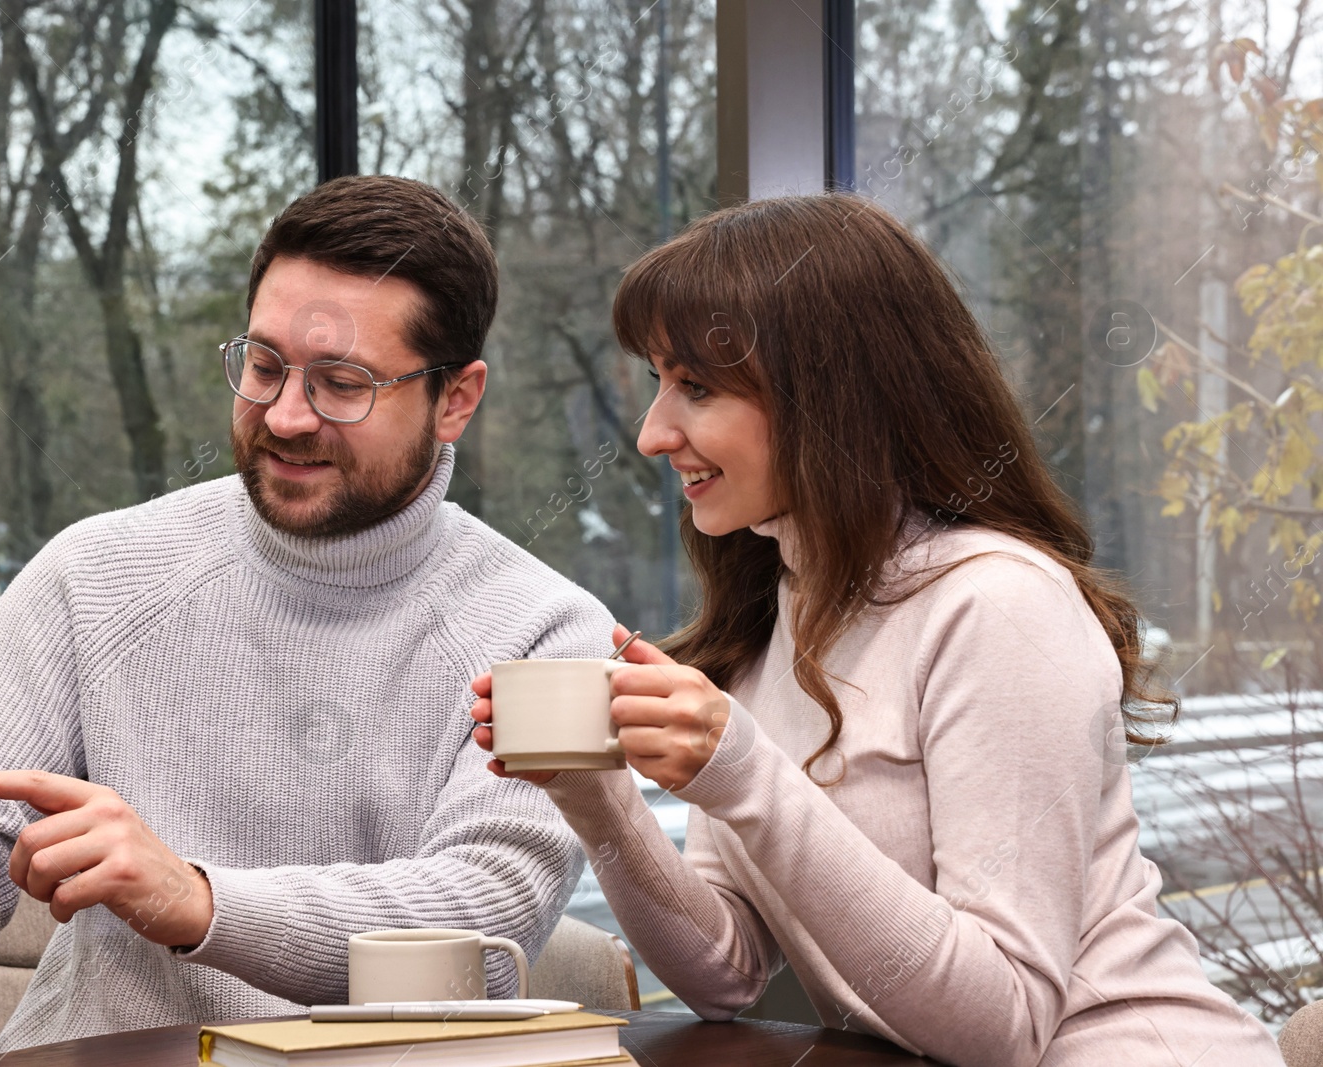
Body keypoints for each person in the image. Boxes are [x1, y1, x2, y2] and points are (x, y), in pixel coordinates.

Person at [470, 193, 1286, 1066]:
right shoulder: (770, 613)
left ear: (829, 395)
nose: (651, 434)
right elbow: (726, 973)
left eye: (696, 387)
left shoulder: (999, 606)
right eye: (658, 382)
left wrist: (742, 771)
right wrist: (594, 796)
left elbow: (1001, 1024)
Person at [0, 175, 613, 1054]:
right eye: (265, 365)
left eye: (342, 383)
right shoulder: (93, 575)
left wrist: (195, 899)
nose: (285, 414)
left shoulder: (547, 629)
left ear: (456, 398)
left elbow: (484, 926)